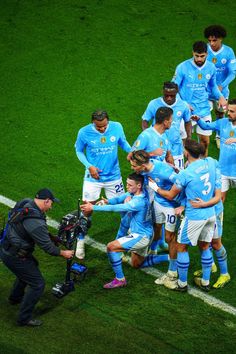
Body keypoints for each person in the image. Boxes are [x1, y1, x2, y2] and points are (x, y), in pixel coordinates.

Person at [149, 140, 221, 292]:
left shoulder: (186, 174)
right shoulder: (211, 162)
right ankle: (205, 282)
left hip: (194, 216)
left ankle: (181, 284)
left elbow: (170, 194)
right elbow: (215, 191)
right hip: (211, 214)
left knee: (181, 247)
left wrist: (155, 187)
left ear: (187, 153)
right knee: (205, 246)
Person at [80, 173, 168, 289]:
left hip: (141, 236)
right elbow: (117, 199)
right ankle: (170, 257)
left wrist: (93, 207)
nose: (127, 186)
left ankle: (120, 279)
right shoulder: (139, 194)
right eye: (126, 183)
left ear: (139, 185)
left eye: (130, 185)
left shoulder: (138, 202)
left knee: (111, 247)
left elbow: (117, 208)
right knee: (136, 264)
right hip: (146, 232)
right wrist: (107, 201)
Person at [0, 189, 74, 326]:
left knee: (31, 266)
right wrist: (64, 253)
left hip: (7, 248)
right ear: (46, 201)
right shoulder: (36, 222)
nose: (51, 207)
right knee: (38, 284)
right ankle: (23, 318)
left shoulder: (26, 203)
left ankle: (15, 298)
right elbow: (48, 248)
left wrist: (52, 238)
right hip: (15, 255)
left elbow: (31, 230)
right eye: (51, 203)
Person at [74, 110, 131, 259]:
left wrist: (131, 152)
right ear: (93, 122)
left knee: (124, 208)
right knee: (87, 209)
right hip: (93, 178)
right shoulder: (84, 132)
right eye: (99, 127)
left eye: (104, 126)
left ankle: (127, 240)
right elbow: (79, 151)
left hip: (114, 177)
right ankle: (80, 240)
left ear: (108, 121)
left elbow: (123, 142)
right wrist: (89, 166)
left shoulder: (117, 127)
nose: (102, 129)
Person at [129, 150, 181, 286]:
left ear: (142, 166)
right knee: (156, 227)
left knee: (170, 238)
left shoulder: (164, 171)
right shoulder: (146, 169)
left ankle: (172, 271)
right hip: (158, 203)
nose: (132, 168)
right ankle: (153, 252)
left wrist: (183, 205)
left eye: (134, 166)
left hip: (171, 206)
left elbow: (182, 183)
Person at [173, 41, 227, 156]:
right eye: (196, 56)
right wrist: (183, 103)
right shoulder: (182, 67)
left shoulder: (211, 67)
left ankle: (202, 168)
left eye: (202, 56)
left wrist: (221, 97)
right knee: (185, 143)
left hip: (204, 110)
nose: (199, 59)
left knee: (204, 142)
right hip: (186, 111)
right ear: (193, 53)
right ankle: (185, 169)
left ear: (207, 54)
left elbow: (212, 86)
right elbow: (173, 88)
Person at [191, 98, 236, 202]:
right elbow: (206, 126)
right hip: (223, 170)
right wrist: (198, 120)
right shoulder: (223, 122)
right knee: (219, 199)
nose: (228, 113)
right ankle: (219, 218)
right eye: (228, 110)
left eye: (232, 111)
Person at [142, 81, 192, 169]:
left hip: (176, 148)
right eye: (166, 95)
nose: (169, 98)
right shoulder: (154, 104)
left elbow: (188, 121)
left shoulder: (183, 105)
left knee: (178, 178)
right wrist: (149, 137)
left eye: (172, 96)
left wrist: (188, 139)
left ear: (177, 93)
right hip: (158, 148)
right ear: (163, 92)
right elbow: (145, 121)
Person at [204, 25, 236, 148]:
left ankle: (218, 136)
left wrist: (222, 86)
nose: (211, 43)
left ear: (221, 38)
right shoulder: (205, 50)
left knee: (221, 113)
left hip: (222, 93)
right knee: (204, 112)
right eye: (209, 40)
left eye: (214, 40)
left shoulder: (228, 52)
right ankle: (203, 137)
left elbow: (233, 72)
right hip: (206, 91)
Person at [192, 197, 230, 289]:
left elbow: (218, 196)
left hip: (214, 211)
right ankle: (211, 265)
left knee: (215, 243)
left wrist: (203, 204)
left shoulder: (215, 181)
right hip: (199, 212)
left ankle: (225, 274)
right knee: (201, 242)